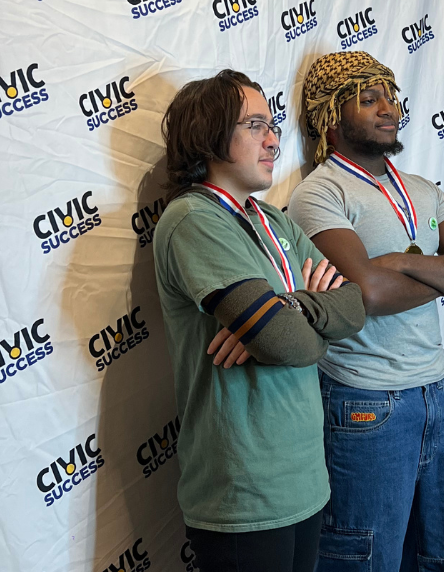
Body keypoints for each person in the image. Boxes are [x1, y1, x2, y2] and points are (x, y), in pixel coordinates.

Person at [287, 51, 444, 571]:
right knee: (368, 560)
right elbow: (368, 295)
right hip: (365, 401)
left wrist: (403, 262)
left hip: (437, 394)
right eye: (369, 98)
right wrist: (443, 275)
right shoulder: (320, 193)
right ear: (331, 117)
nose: (389, 108)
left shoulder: (423, 190)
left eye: (390, 96)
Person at [152, 70, 366, 572]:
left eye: (272, 126)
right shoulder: (194, 219)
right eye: (254, 126)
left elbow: (354, 306)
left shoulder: (273, 220)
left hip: (305, 481)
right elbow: (290, 345)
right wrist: (290, 324)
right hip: (242, 493)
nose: (273, 140)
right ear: (208, 135)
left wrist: (286, 307)